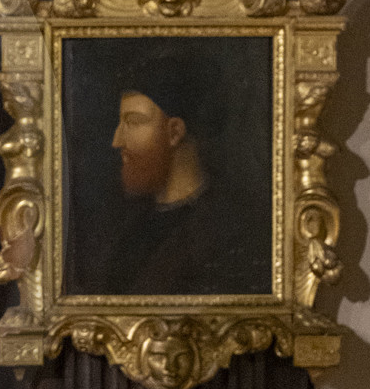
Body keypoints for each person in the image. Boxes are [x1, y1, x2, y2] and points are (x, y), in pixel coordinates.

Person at [94, 45, 267, 297]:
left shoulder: (231, 230)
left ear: (175, 131)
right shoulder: (131, 231)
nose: (117, 141)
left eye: (133, 122)